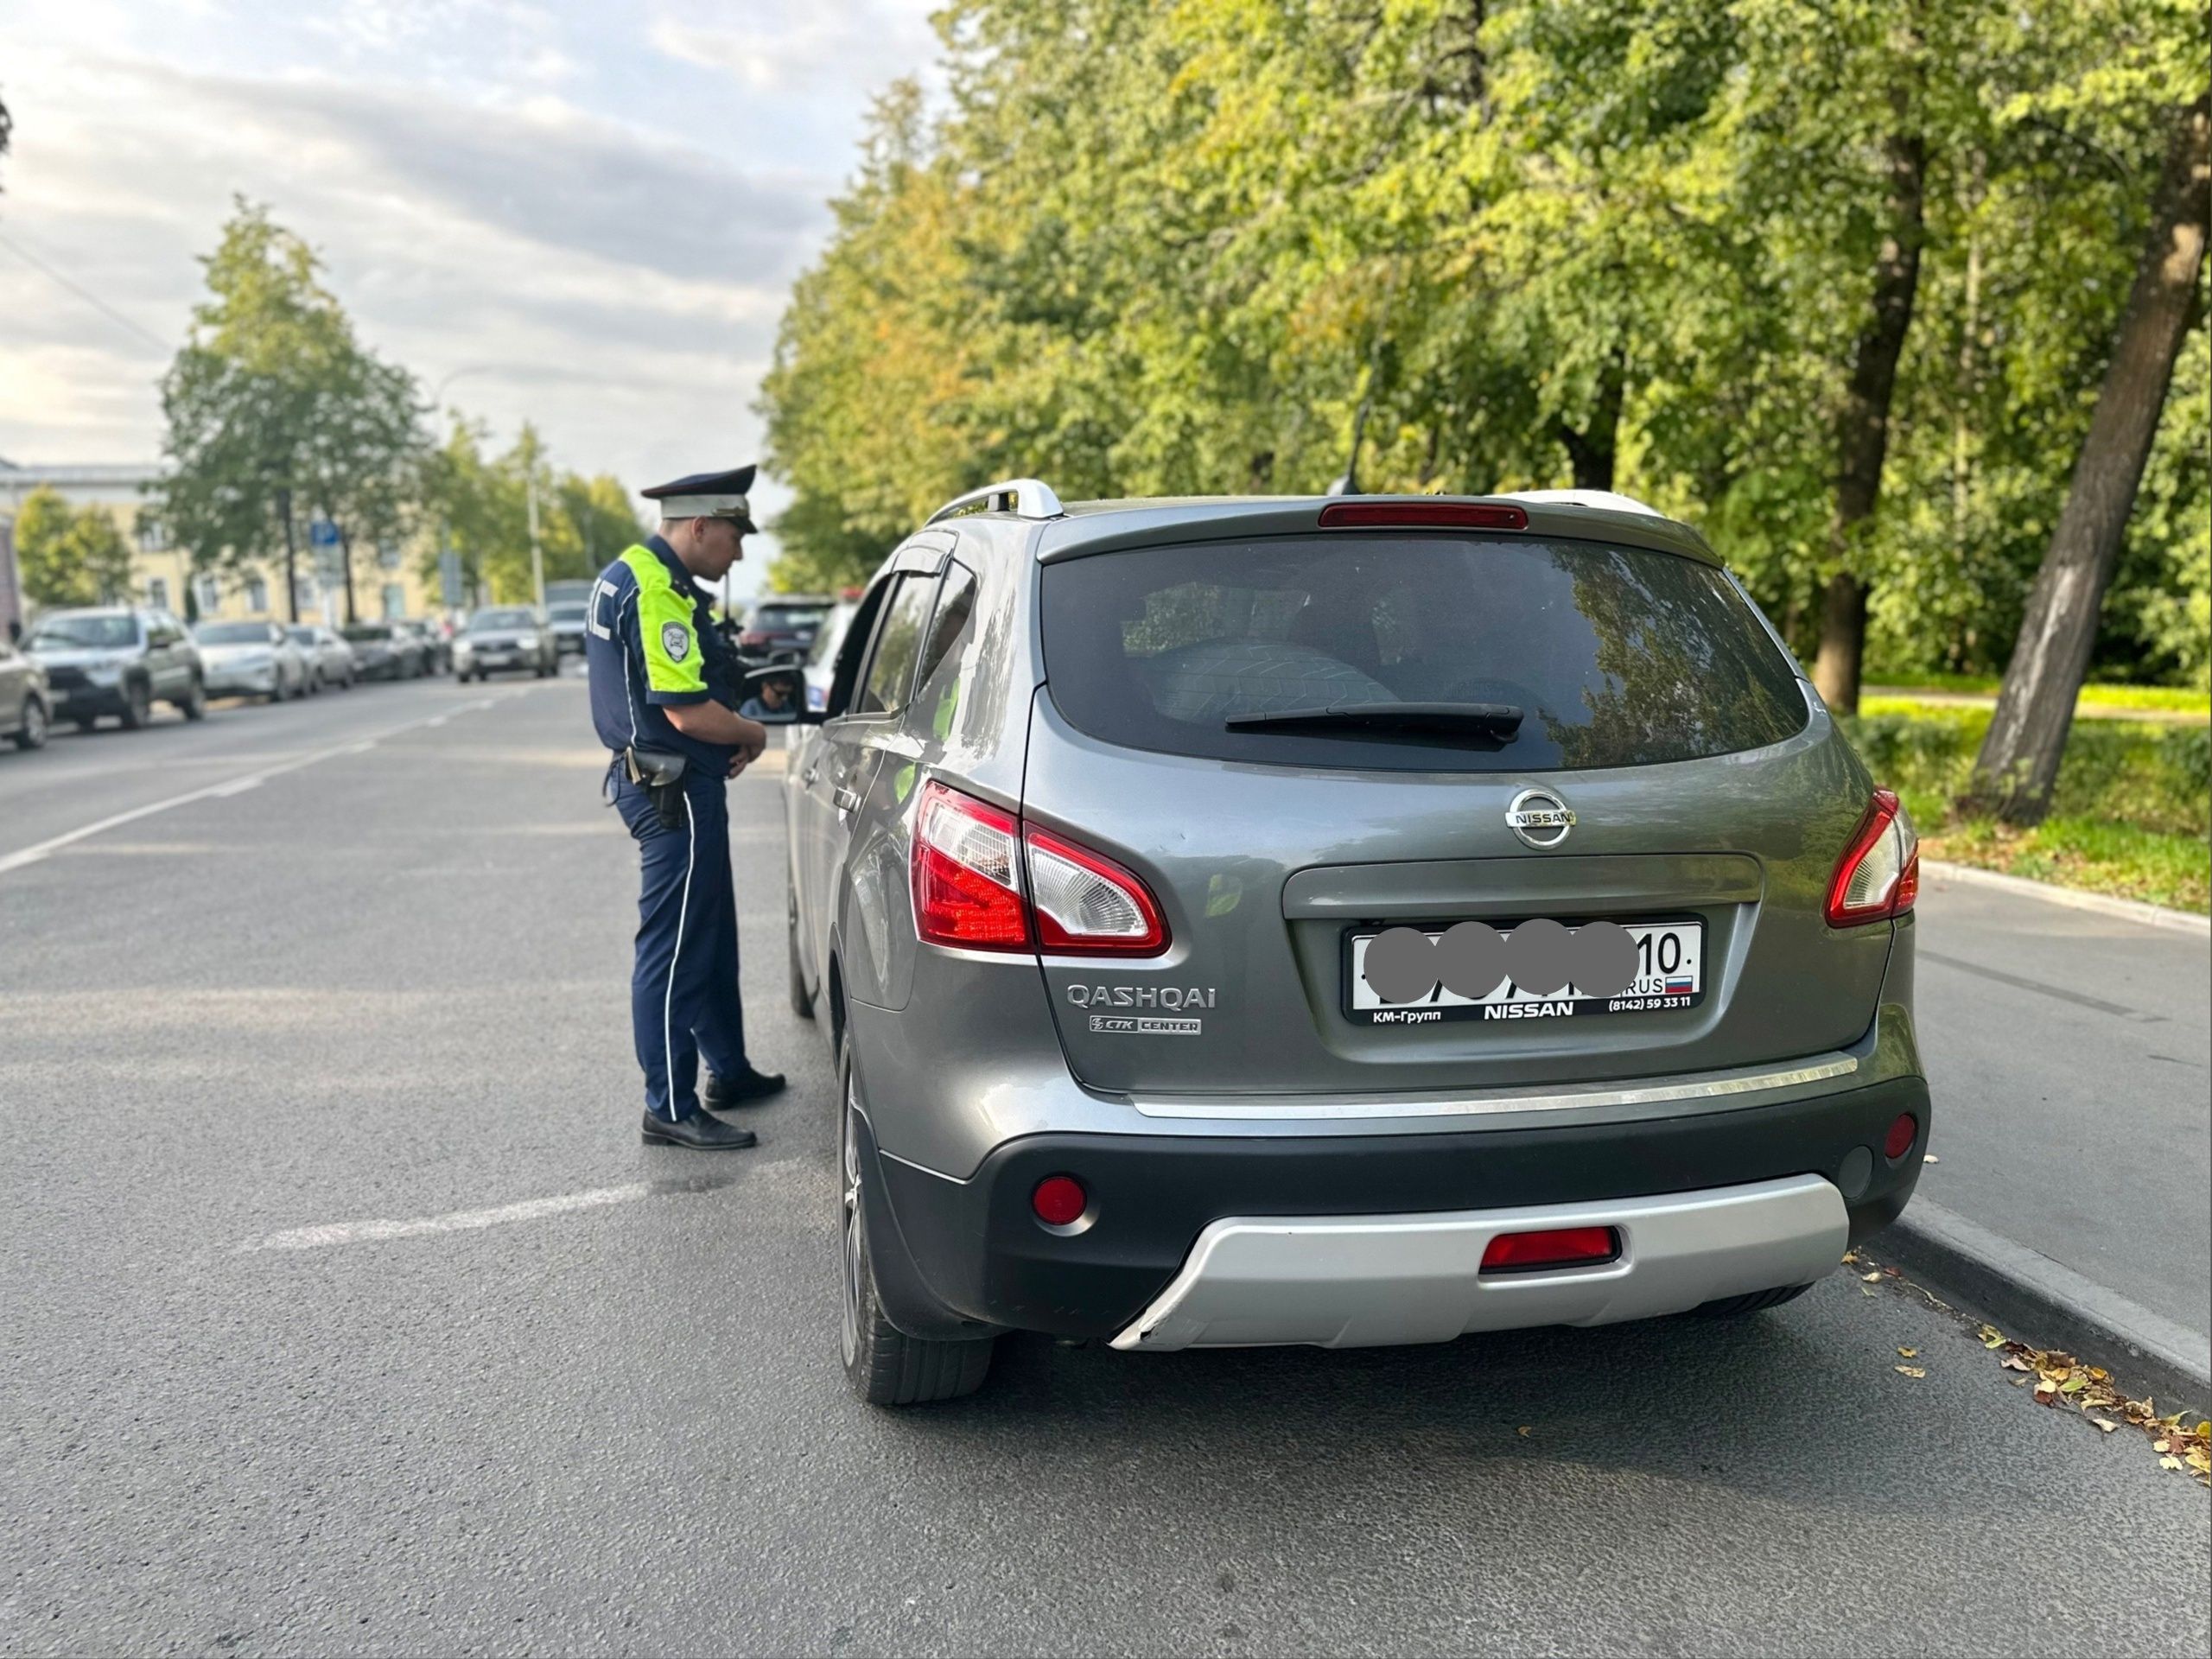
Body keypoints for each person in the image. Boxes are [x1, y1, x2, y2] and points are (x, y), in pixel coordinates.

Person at [584, 465, 787, 1151]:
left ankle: (728, 1070)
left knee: (709, 933)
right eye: (735, 536)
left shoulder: (632, 574)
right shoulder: (657, 589)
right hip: (672, 787)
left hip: (672, 782)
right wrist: (752, 732)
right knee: (675, 948)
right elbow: (686, 711)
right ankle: (669, 1105)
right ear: (699, 526)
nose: (739, 553)